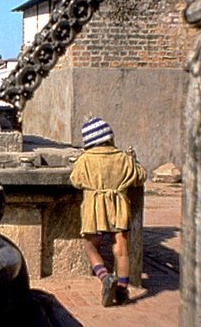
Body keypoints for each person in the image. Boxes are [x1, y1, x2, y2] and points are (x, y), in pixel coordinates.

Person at [70, 117, 146, 307]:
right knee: (121, 250)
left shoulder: (85, 160)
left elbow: (75, 180)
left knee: (91, 247)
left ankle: (105, 278)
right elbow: (141, 176)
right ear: (109, 137)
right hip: (119, 207)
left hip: (94, 209)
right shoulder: (123, 158)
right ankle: (122, 290)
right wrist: (133, 160)